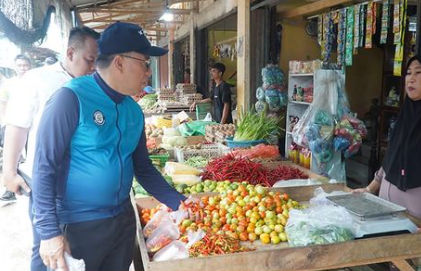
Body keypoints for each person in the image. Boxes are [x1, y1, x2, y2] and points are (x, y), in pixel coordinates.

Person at [32, 22, 189, 271]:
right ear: (119, 62)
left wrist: (179, 201)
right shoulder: (70, 99)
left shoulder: (133, 111)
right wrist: (49, 232)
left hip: (121, 223)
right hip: (78, 225)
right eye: (144, 63)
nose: (148, 72)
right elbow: (43, 167)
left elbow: (143, 168)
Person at [1, 26, 99, 271]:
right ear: (70, 53)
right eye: (89, 60)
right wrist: (9, 171)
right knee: (47, 245)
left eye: (97, 61)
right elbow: (18, 125)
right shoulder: (38, 79)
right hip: (47, 183)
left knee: (75, 246)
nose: (93, 67)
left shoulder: (92, 84)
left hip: (82, 185)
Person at [354, 55, 421, 219]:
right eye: (408, 73)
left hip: (414, 216)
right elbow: (392, 155)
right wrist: (370, 189)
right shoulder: (405, 114)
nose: (410, 79)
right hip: (386, 208)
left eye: (418, 73)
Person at [0, 54, 31, 130]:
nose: (22, 68)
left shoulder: (36, 84)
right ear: (15, 67)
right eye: (19, 65)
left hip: (30, 125)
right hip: (12, 125)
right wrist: (4, 123)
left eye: (25, 65)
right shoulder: (8, 84)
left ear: (30, 66)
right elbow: (3, 104)